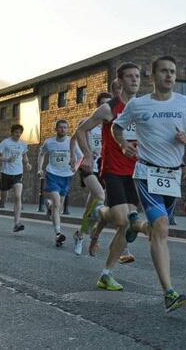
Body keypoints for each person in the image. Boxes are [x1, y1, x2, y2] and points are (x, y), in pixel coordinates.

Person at [113, 56, 186, 312]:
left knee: (159, 229)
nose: (169, 76)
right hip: (146, 172)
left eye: (173, 72)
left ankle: (136, 223)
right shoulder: (138, 104)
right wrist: (124, 146)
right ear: (153, 76)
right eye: (164, 72)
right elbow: (117, 127)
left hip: (172, 177)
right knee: (162, 226)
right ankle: (169, 291)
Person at [74, 69, 141, 290]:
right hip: (113, 169)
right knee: (122, 220)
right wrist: (88, 154)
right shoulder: (108, 109)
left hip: (136, 172)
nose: (134, 80)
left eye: (138, 76)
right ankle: (99, 211)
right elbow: (81, 130)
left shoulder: (142, 108)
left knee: (129, 224)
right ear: (120, 81)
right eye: (130, 76)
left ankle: (106, 273)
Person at [70, 91, 111, 255]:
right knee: (101, 197)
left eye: (109, 103)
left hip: (104, 168)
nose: (106, 106)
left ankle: (80, 235)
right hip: (87, 167)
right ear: (98, 105)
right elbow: (74, 138)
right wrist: (74, 155)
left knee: (90, 209)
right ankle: (93, 235)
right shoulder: (88, 122)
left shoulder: (112, 124)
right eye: (103, 103)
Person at [38, 120, 82, 247]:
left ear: (67, 129)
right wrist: (39, 169)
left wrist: (76, 167)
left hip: (66, 175)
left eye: (65, 127)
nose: (63, 129)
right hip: (52, 174)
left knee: (59, 207)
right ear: (56, 129)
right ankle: (58, 233)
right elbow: (41, 154)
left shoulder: (71, 142)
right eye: (60, 127)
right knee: (58, 204)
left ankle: (50, 206)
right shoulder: (49, 142)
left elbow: (80, 157)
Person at [0, 124, 32, 232]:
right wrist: (6, 159)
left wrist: (27, 163)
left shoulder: (23, 144)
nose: (18, 134)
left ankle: (16, 223)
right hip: (6, 173)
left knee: (18, 196)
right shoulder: (5, 142)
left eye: (20, 132)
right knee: (3, 200)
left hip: (18, 173)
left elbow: (25, 155)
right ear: (12, 132)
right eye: (16, 132)